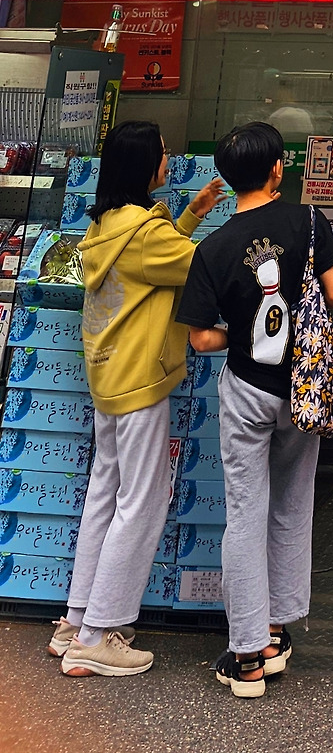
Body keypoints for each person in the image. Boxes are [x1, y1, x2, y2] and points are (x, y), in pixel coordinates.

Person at [177, 123, 333, 700]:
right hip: (304, 387)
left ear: (226, 178)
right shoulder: (307, 221)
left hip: (247, 387)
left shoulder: (213, 248)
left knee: (245, 513)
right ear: (278, 169)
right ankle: (276, 629)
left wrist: (242, 336)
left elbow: (201, 338)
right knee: (293, 504)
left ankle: (248, 654)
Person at [54, 122, 226, 678]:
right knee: (143, 500)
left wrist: (190, 216)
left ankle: (75, 621)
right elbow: (197, 266)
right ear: (145, 164)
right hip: (140, 383)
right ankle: (98, 636)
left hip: (109, 379)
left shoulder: (107, 224)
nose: (169, 159)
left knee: (104, 495)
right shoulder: (147, 233)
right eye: (163, 152)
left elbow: (157, 262)